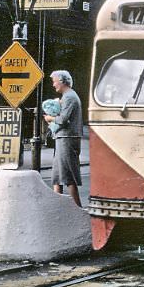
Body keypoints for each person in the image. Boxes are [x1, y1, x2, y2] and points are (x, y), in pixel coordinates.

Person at [43, 70, 83, 207]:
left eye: (54, 81)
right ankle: (58, 206)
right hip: (63, 138)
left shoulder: (70, 97)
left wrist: (50, 118)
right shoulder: (67, 96)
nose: (53, 85)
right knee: (57, 176)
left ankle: (78, 208)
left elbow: (63, 119)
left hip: (67, 138)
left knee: (68, 174)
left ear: (62, 81)